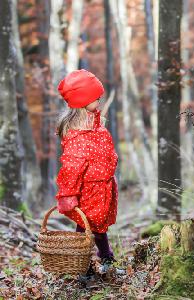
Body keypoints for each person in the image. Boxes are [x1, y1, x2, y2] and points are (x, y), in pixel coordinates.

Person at [54, 69, 122, 278]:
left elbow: (107, 153)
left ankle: (100, 262)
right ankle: (85, 267)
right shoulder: (77, 137)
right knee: (88, 228)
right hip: (90, 190)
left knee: (96, 227)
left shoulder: (96, 128)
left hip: (104, 187)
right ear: (82, 102)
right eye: (96, 98)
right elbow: (71, 168)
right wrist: (68, 194)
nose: (100, 101)